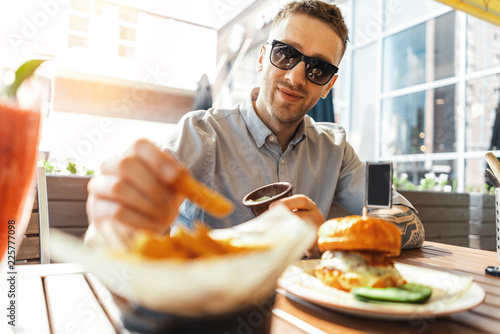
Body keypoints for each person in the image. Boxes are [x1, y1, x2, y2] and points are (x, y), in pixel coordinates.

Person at [86, 0, 424, 252]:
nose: (295, 77)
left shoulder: (338, 146)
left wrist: (325, 234)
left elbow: (408, 218)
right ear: (262, 57)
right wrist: (119, 216)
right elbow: (115, 233)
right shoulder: (198, 131)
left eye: (318, 69)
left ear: (329, 86)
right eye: (286, 54)